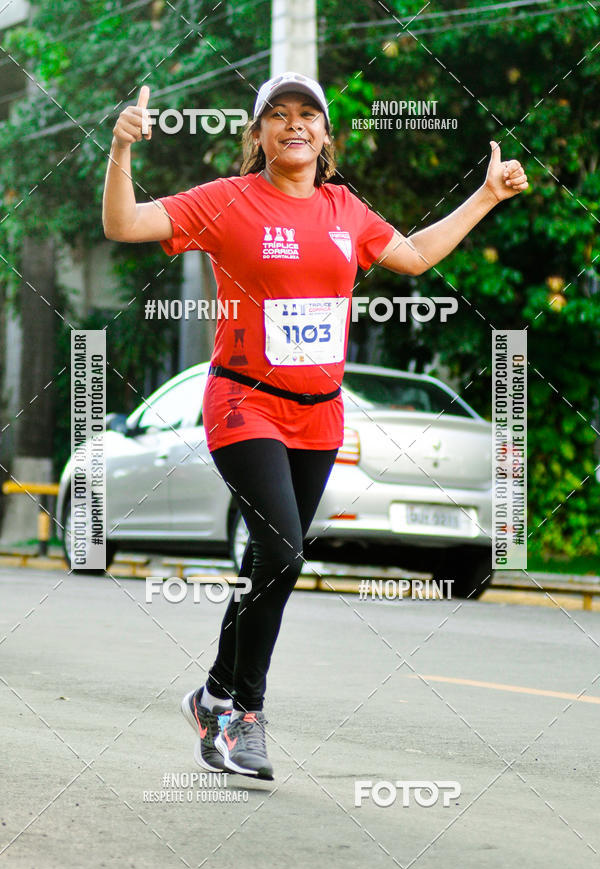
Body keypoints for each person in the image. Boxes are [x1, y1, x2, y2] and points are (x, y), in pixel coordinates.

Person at [103, 70, 528, 781]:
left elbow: (416, 254)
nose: (294, 123)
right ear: (259, 134)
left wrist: (485, 195)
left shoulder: (345, 210)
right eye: (279, 114)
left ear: (326, 136)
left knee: (267, 563)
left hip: (320, 415)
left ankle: (212, 694)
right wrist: (121, 152)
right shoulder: (228, 201)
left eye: (308, 114)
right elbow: (123, 224)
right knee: (284, 551)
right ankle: (245, 714)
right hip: (244, 402)